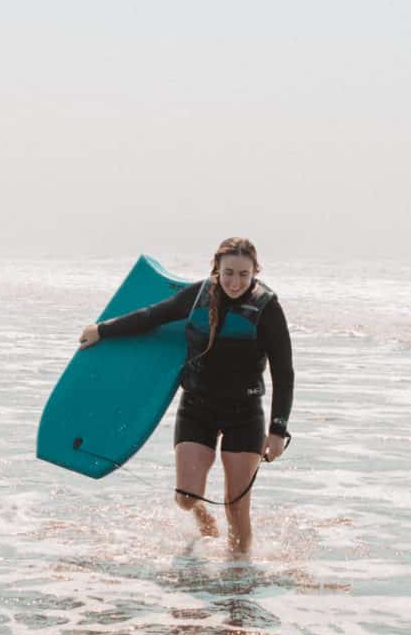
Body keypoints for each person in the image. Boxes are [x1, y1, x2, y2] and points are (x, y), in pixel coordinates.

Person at [79, 237, 293, 557]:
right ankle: (202, 516)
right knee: (186, 498)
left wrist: (277, 430)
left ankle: (239, 577)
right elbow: (153, 315)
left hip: (244, 413)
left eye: (244, 275)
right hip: (197, 407)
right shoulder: (199, 296)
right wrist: (103, 329)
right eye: (229, 273)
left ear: (255, 272)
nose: (236, 282)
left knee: (236, 508)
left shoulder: (267, 308)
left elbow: (284, 371)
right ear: (216, 270)